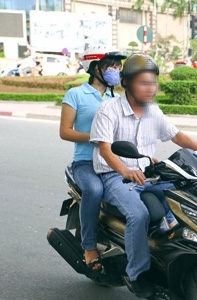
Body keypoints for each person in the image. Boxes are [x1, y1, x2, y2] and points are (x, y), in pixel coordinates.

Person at [89, 54, 197, 298]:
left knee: (186, 194)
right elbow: (106, 149)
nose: (150, 88)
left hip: (149, 173)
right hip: (116, 177)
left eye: (152, 83)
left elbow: (176, 135)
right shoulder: (108, 110)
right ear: (126, 82)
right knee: (138, 214)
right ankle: (136, 274)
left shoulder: (153, 111)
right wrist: (126, 170)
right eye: (143, 82)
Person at [59, 45, 127, 272]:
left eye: (118, 66)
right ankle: (89, 247)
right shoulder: (76, 94)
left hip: (112, 161)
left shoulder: (116, 98)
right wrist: (95, 138)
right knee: (95, 191)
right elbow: (65, 131)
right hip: (85, 163)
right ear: (95, 67)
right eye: (112, 65)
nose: (116, 70)